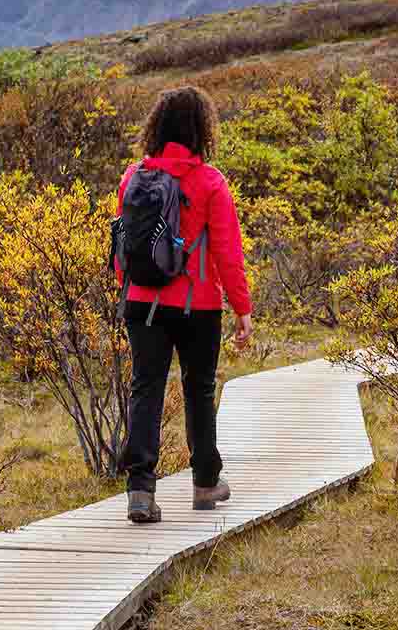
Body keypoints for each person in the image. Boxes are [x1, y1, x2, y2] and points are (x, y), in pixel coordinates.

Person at [116, 85, 253, 524]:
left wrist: (131, 290)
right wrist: (242, 308)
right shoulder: (210, 181)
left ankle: (140, 489)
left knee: (145, 388)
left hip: (141, 303)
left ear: (155, 127)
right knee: (198, 389)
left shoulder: (132, 178)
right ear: (201, 130)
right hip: (197, 306)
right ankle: (205, 482)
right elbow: (227, 253)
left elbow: (125, 246)